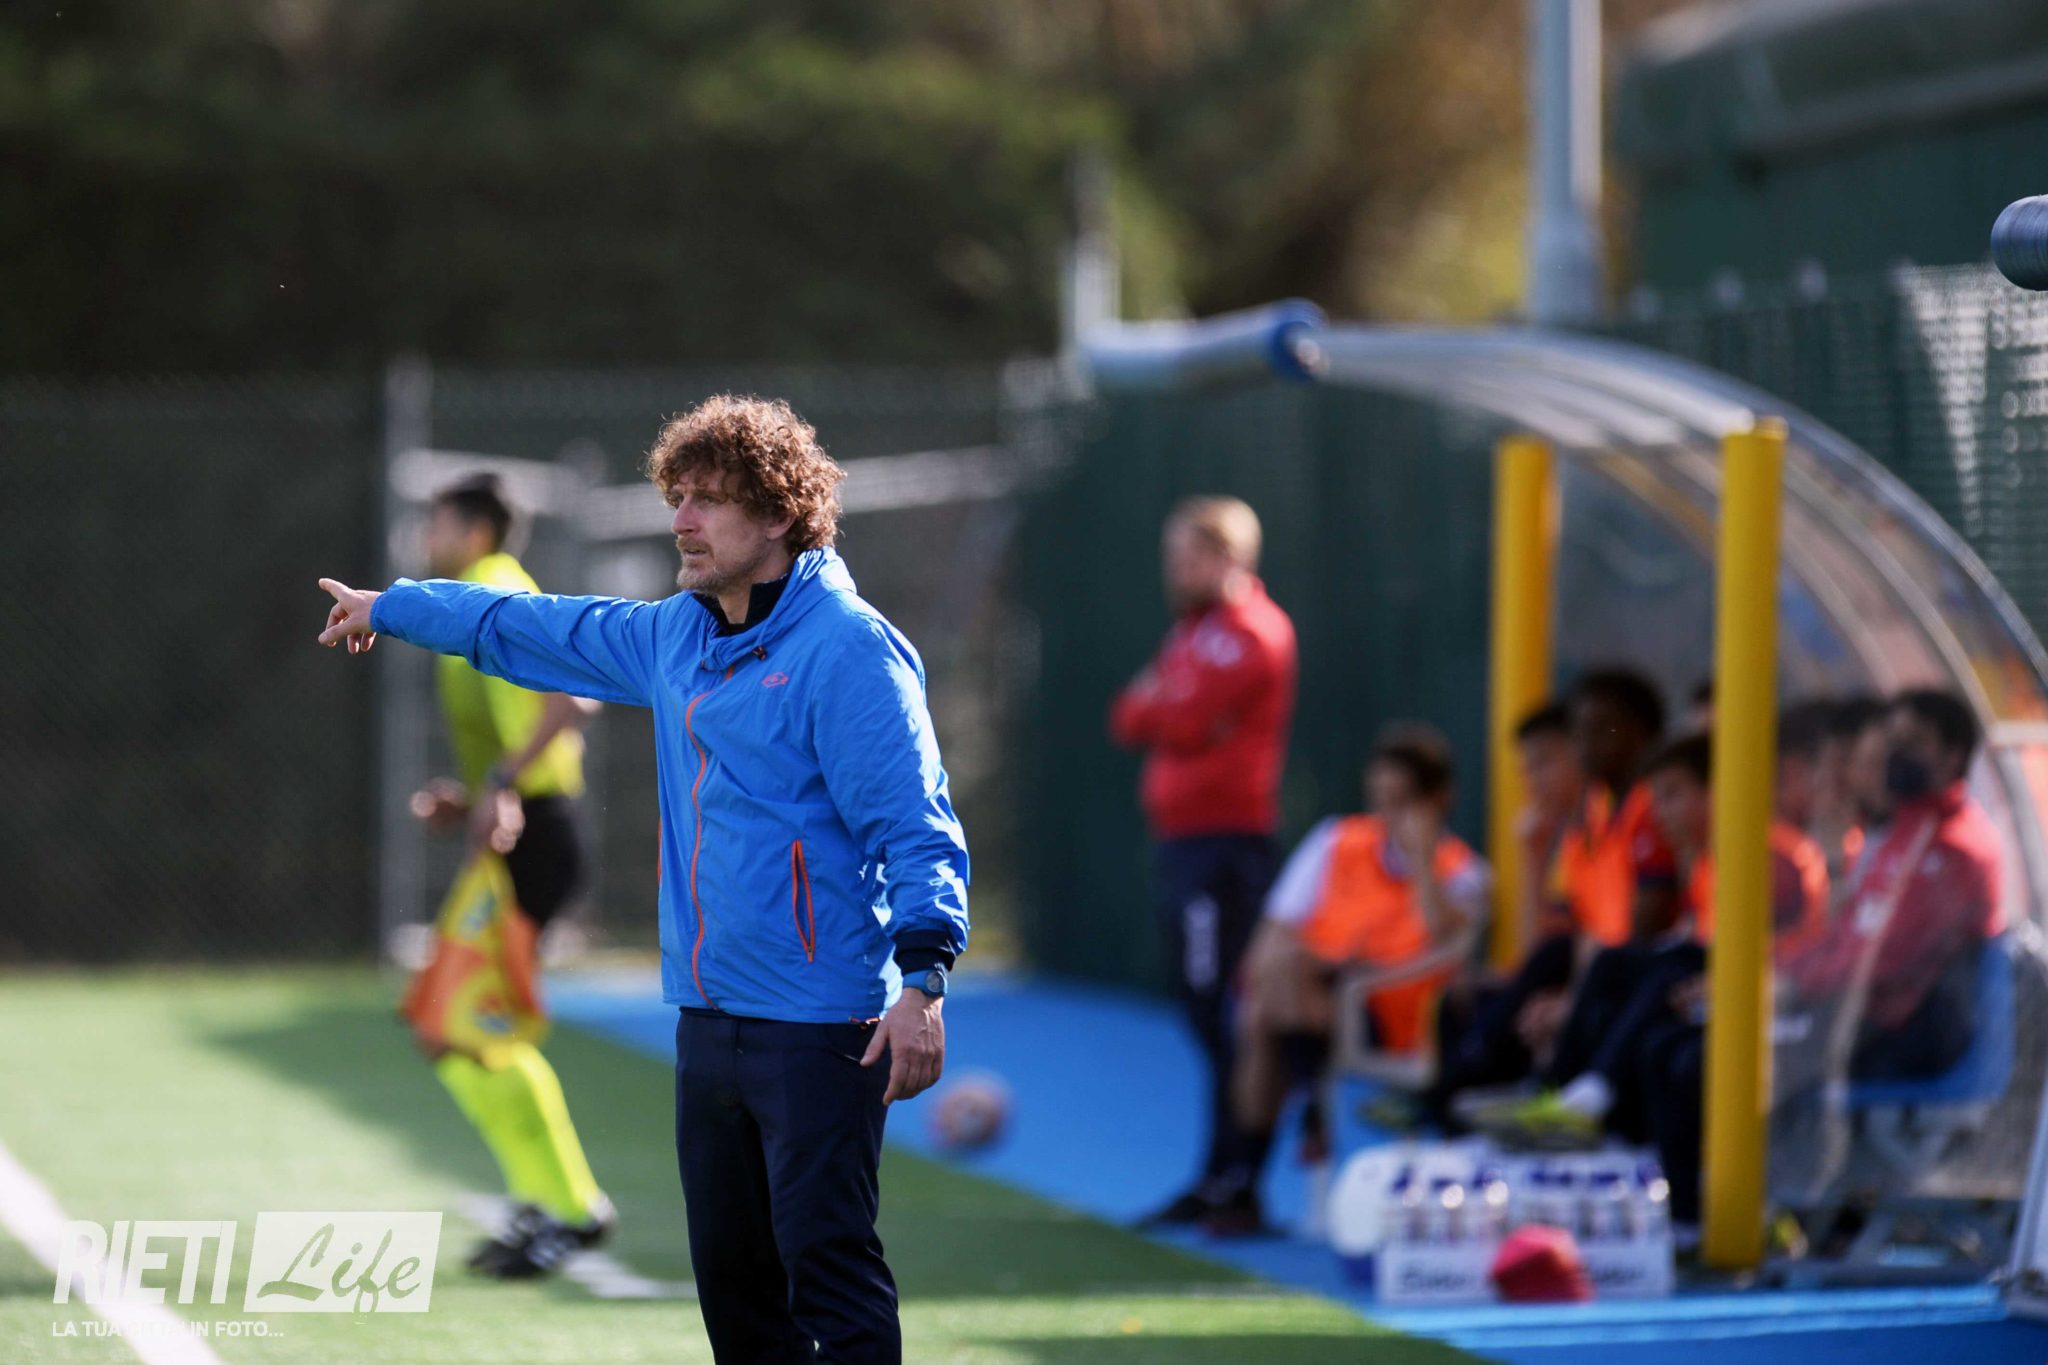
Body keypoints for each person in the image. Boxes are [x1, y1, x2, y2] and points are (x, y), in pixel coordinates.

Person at [319, 395, 971, 1365]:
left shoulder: (848, 648)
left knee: (829, 1276)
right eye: (678, 497)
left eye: (708, 500)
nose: (682, 520)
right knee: (737, 1300)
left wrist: (923, 980)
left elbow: (916, 827)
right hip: (707, 1022)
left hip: (821, 1026)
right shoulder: (675, 636)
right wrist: (394, 607)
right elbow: (530, 626)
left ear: (779, 514)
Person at [397, 473, 615, 1279]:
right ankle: (544, 1201)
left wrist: (504, 782)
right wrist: (478, 792)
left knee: (476, 1030)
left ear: (475, 528)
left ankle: (572, 1208)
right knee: (445, 1029)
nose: (425, 536)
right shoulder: (477, 594)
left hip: (540, 836)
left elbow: (576, 698)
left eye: (436, 521)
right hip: (518, 835)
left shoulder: (497, 591)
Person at [1477, 730, 1828, 1156]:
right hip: (1717, 992)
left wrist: (1725, 982)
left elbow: (1776, 955)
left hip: (1783, 1006)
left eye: (1673, 795)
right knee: (1615, 971)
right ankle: (1562, 1096)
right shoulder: (1709, 862)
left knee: (1664, 980)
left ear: (1719, 790)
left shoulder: (1770, 857)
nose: (1661, 813)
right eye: (1656, 799)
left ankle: (1588, 1105)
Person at [1110, 496, 1298, 1232]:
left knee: (1224, 1012)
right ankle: (1219, 1175)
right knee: (1203, 1010)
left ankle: (1239, 1180)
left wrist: (1167, 704)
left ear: (1229, 557)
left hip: (1226, 848)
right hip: (1184, 843)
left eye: (1188, 557)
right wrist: (1165, 705)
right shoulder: (1192, 632)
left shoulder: (1253, 631)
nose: (1175, 571)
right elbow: (1129, 716)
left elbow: (1179, 719)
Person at [1231, 726, 1489, 1219]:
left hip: (1393, 1015)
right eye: (1381, 800)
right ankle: (1302, 1108)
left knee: (1268, 1013)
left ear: (1439, 800)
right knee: (1270, 990)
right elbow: (1277, 927)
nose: (1388, 816)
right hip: (1316, 992)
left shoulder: (1462, 870)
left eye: (1402, 802)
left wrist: (1422, 860)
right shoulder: (1338, 839)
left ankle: (1250, 1172)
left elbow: (1444, 939)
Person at [1420, 668, 1673, 1128]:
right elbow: (1550, 940)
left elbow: (1634, 938)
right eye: (1580, 734)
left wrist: (1572, 1000)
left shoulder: (1649, 810)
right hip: (1599, 973)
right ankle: (1460, 1106)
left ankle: (1472, 1097)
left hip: (1630, 978)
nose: (1587, 746)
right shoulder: (1588, 826)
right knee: (1463, 998)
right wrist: (1533, 858)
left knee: (1578, 983)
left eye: (1544, 763)